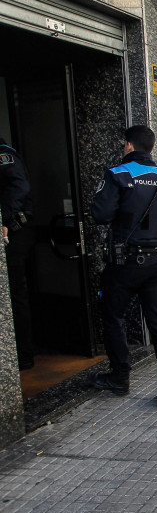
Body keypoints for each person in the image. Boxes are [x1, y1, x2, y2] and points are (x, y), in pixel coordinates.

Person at [89, 125, 157, 407]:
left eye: (124, 145)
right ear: (152, 148)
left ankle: (120, 378)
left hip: (125, 263)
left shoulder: (118, 175)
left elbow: (100, 214)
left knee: (113, 317)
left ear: (129, 146)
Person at [0, 137, 36, 370]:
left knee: (15, 294)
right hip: (13, 231)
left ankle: (23, 356)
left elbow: (18, 188)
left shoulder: (4, 156)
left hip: (14, 232)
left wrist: (4, 220)